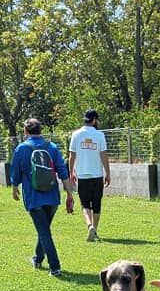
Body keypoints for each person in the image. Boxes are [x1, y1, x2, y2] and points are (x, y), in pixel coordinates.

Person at [10, 118, 74, 278]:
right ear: (40, 130)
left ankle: (55, 267)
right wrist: (69, 193)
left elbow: (15, 172)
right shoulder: (52, 147)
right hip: (52, 197)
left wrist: (14, 187)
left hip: (34, 198)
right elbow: (62, 171)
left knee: (44, 231)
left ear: (26, 131)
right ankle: (38, 259)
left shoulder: (21, 149)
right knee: (43, 229)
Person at [68, 109, 110, 241]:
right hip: (97, 175)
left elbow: (72, 155)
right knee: (96, 204)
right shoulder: (100, 135)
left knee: (85, 204)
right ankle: (95, 230)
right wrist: (107, 173)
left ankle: (89, 225)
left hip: (82, 175)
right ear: (94, 120)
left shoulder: (76, 134)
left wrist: (71, 172)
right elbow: (103, 155)